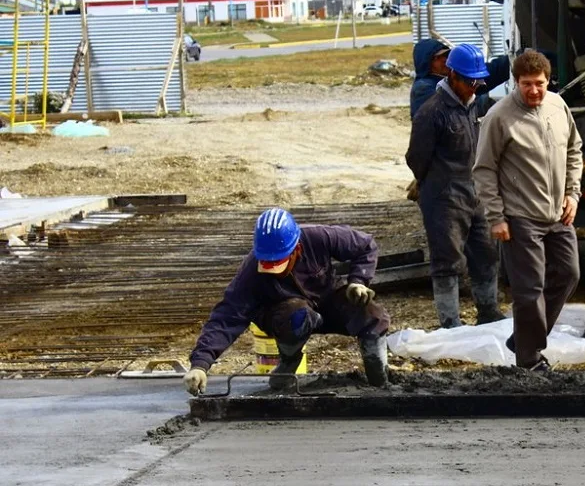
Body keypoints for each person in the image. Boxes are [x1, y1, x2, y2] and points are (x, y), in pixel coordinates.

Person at [182, 208, 391, 395]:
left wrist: (359, 282)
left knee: (371, 313)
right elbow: (227, 317)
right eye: (268, 263)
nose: (273, 268)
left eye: (278, 263)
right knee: (298, 313)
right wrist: (200, 364)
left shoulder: (319, 237)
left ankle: (379, 379)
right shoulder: (251, 272)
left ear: (296, 250)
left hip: (326, 300)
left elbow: (366, 245)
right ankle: (289, 362)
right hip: (286, 316)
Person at [473, 49, 583, 372]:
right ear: (515, 83)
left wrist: (572, 194)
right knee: (529, 289)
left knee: (569, 273)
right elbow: (483, 169)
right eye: (526, 84)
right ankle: (529, 360)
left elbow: (574, 149)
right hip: (520, 217)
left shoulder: (558, 106)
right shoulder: (499, 117)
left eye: (540, 83)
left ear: (548, 81)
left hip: (558, 213)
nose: (534, 90)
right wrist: (496, 217)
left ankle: (525, 336)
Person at [406, 44, 506, 328]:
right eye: (470, 81)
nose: (475, 86)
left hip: (475, 193)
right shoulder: (432, 111)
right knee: (447, 259)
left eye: (478, 81)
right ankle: (450, 322)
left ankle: (488, 311)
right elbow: (416, 158)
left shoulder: (472, 103)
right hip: (443, 197)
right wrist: (435, 183)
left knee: (486, 252)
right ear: (452, 76)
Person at [409, 38, 511, 119]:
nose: (445, 59)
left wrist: (509, 63)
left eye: (446, 55)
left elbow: (482, 75)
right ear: (427, 62)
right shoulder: (423, 89)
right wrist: (499, 105)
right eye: (439, 57)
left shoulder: (449, 78)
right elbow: (458, 103)